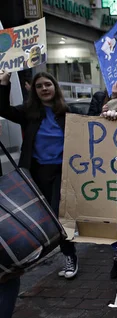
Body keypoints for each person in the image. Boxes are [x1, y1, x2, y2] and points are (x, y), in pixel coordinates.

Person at [0, 70, 78, 278]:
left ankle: (69, 256)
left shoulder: (67, 111)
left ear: (55, 87)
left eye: (48, 84)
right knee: (41, 217)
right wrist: (4, 83)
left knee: (58, 217)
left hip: (62, 172)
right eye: (39, 86)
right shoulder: (28, 112)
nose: (44, 88)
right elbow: (2, 108)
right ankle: (38, 252)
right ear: (34, 91)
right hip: (36, 172)